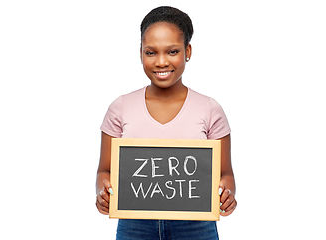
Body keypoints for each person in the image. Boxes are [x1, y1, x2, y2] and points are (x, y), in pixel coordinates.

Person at [96, 6, 237, 239]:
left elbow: (226, 174)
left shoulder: (210, 109)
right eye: (151, 53)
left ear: (187, 51)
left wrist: (227, 193)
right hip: (135, 225)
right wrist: (103, 191)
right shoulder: (120, 108)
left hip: (196, 225)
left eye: (172, 51)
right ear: (140, 52)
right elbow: (104, 171)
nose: (161, 62)